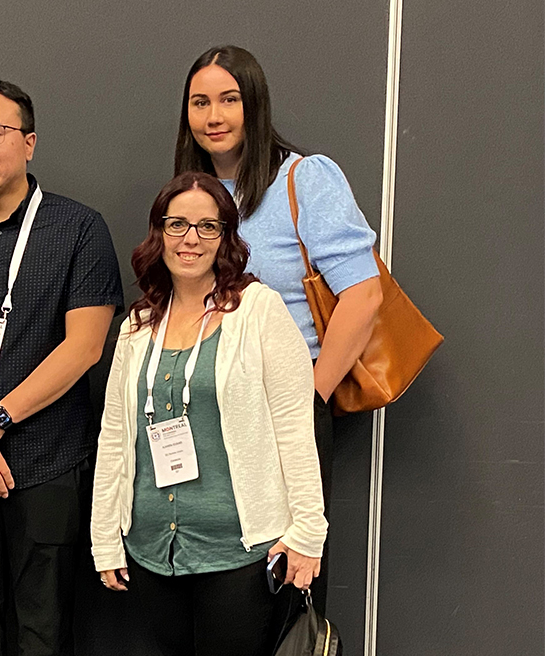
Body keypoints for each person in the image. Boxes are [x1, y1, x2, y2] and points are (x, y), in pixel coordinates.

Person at [174, 44, 381, 610]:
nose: (213, 116)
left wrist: (307, 397)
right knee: (220, 597)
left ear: (254, 104)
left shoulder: (303, 178)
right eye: (199, 102)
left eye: (228, 100)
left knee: (284, 587)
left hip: (284, 412)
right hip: (208, 415)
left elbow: (362, 296)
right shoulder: (194, 196)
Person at [0, 78, 123, 656]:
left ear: (30, 143)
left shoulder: (78, 229)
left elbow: (85, 347)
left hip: (47, 461)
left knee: (44, 626)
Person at [91, 171, 327, 655]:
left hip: (239, 550)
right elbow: (115, 437)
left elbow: (295, 428)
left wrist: (308, 533)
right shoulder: (137, 325)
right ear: (159, 233)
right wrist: (105, 537)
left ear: (226, 237)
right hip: (155, 549)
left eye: (208, 226)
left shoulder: (258, 310)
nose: (190, 239)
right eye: (176, 224)